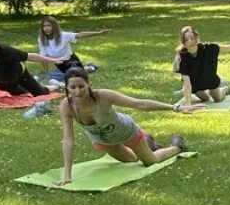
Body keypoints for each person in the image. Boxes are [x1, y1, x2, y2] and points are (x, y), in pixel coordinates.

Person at [56, 66, 189, 186]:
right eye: (73, 87)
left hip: (127, 133)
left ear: (88, 84)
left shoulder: (103, 96)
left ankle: (177, 146)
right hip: (104, 141)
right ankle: (148, 142)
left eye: (81, 86)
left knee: (151, 161)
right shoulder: (66, 106)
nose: (78, 91)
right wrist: (67, 176)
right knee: (131, 161)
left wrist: (175, 107)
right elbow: (68, 140)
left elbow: (139, 104)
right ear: (67, 88)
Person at [0, 31, 60, 102]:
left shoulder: (6, 51)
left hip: (20, 75)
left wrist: (52, 60)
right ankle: (34, 83)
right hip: (5, 83)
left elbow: (30, 56)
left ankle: (56, 86)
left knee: (39, 93)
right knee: (21, 94)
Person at [175, 25, 230, 106]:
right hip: (194, 85)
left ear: (197, 38)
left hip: (210, 80)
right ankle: (206, 92)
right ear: (183, 42)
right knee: (205, 99)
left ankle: (225, 88)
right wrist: (188, 106)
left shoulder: (209, 48)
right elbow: (187, 84)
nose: (190, 41)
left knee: (217, 99)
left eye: (192, 38)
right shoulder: (181, 57)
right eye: (187, 40)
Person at [36, 16, 109, 81]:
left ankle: (90, 67)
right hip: (59, 63)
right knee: (71, 77)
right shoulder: (42, 39)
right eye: (44, 26)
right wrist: (46, 72)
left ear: (54, 26)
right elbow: (43, 56)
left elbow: (80, 35)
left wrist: (98, 33)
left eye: (49, 25)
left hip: (71, 60)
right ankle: (86, 66)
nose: (46, 28)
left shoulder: (63, 36)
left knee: (79, 76)